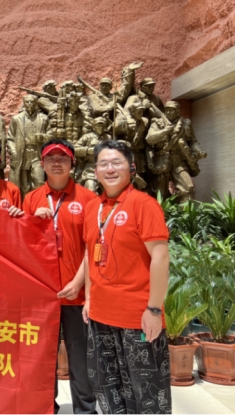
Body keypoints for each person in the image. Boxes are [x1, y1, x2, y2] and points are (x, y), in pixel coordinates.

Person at [83, 140, 171, 414]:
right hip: (100, 316)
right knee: (107, 389)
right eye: (103, 164)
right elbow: (90, 254)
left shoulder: (143, 204)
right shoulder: (93, 207)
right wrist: (88, 299)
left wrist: (154, 309)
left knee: (147, 392)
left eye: (117, 162)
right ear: (95, 171)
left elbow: (160, 257)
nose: (110, 169)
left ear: (131, 168)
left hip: (138, 318)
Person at [23, 139, 97, 414]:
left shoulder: (88, 199)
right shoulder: (31, 199)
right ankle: (46, 408)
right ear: (42, 164)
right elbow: (22, 245)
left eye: (63, 158)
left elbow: (92, 246)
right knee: (43, 359)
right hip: (42, 296)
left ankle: (85, 410)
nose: (57, 162)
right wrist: (33, 221)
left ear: (72, 164)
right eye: (51, 158)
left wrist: (78, 283)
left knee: (81, 359)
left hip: (76, 295)